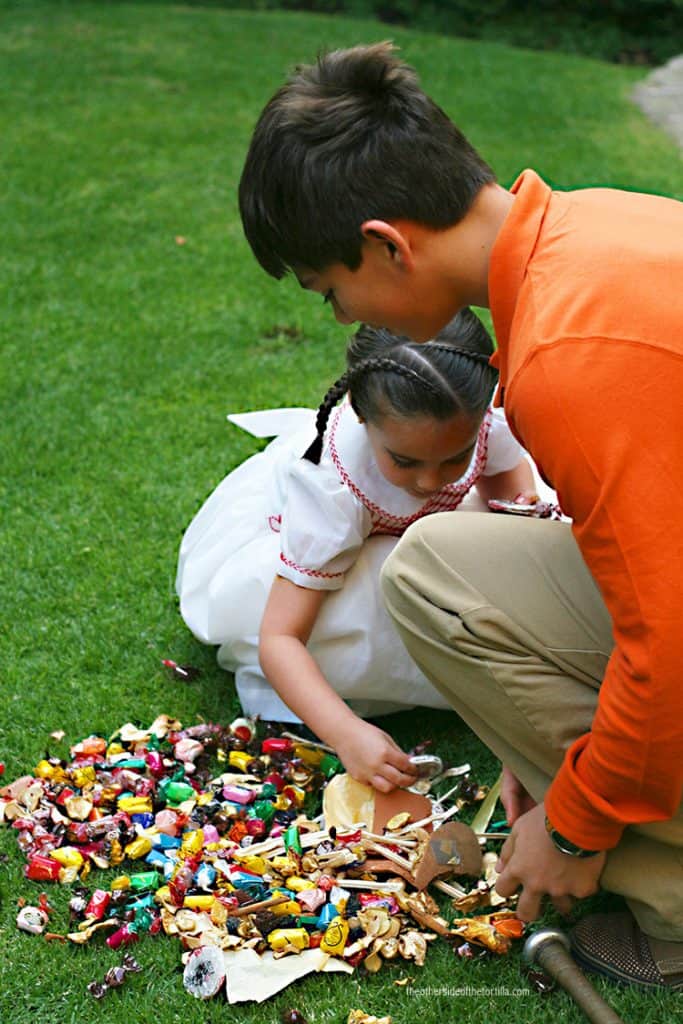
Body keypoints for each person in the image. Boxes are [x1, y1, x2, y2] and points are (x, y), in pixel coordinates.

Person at [237, 42, 683, 987]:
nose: (338, 314)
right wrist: (541, 730)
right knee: (446, 563)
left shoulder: (566, 357)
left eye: (331, 291)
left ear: (386, 244)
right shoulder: (598, 221)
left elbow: (667, 648)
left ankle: (672, 901)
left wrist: (574, 818)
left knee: (435, 574)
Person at [176, 310, 536, 791]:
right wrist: (345, 734)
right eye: (405, 461)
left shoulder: (484, 418)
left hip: (425, 533)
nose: (430, 482)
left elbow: (509, 490)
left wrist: (516, 528)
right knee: (364, 613)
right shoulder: (331, 491)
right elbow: (280, 638)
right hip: (332, 551)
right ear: (362, 417)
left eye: (456, 457)